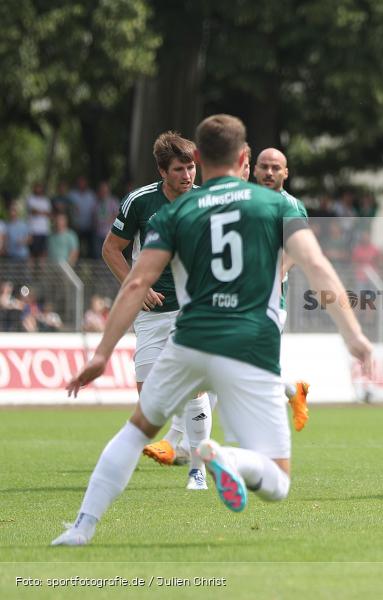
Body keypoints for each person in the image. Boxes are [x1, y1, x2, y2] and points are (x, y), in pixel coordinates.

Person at [53, 114, 372, 546]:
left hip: (192, 337)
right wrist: (353, 336)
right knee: (277, 481)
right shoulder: (276, 205)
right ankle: (222, 455)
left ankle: (82, 528)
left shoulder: (178, 210)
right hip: (249, 342)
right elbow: (317, 266)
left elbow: (136, 282)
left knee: (135, 430)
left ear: (199, 160)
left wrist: (100, 354)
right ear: (246, 159)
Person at [100, 131, 212, 488]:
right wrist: (138, 284)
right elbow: (111, 249)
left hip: (192, 309)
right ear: (163, 171)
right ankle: (181, 438)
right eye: (179, 169)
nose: (188, 175)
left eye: (191, 167)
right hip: (150, 312)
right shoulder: (140, 202)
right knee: (150, 397)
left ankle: (198, 466)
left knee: (194, 386)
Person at [252, 146, 311, 430]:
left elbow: (296, 249)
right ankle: (292, 390)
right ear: (254, 169)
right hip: (238, 298)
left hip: (272, 301)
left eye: (276, 168)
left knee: (239, 364)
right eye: (264, 166)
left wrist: (277, 273)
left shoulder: (291, 206)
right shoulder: (245, 202)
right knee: (245, 365)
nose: (269, 172)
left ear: (286, 173)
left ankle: (183, 444)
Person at [26, 183, 52, 264]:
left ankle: (41, 276)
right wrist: (43, 212)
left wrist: (40, 212)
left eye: (40, 188)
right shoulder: (30, 199)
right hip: (33, 231)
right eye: (37, 188)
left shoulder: (46, 200)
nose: (38, 190)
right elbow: (34, 211)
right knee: (32, 254)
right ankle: (30, 276)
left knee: (43, 254)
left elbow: (49, 214)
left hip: (44, 231)